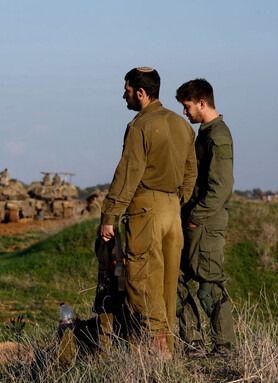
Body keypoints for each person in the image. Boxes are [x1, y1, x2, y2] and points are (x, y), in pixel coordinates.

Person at [98, 67, 197, 356]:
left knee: (140, 277)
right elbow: (191, 172)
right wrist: (178, 200)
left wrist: (109, 217)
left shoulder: (139, 126)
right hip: (172, 211)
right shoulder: (182, 125)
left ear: (141, 93)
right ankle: (168, 349)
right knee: (166, 281)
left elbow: (128, 174)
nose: (124, 96)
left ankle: (158, 346)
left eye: (127, 91)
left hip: (146, 209)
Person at [175, 79, 236, 356]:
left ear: (202, 103)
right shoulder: (205, 132)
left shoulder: (217, 134)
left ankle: (224, 348)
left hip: (206, 222)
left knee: (209, 287)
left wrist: (195, 217)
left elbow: (221, 186)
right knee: (174, 279)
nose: (185, 114)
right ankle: (193, 342)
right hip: (194, 219)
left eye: (187, 107)